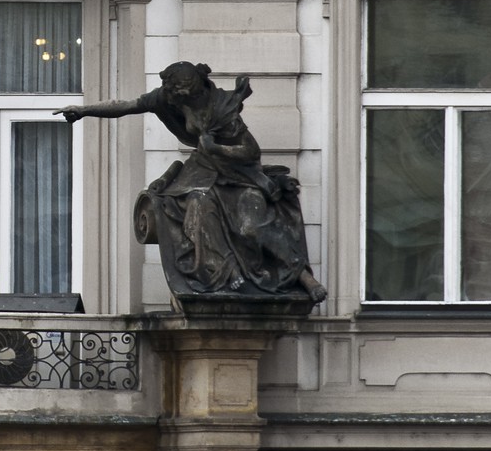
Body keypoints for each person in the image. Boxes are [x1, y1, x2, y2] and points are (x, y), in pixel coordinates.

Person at [58, 61, 325, 301]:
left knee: (250, 228)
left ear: (198, 89)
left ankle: (304, 277)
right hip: (203, 171)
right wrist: (83, 110)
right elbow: (128, 106)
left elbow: (251, 151)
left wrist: (216, 148)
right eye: (179, 98)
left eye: (190, 96)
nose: (183, 102)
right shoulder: (168, 98)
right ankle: (227, 273)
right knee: (197, 206)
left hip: (241, 174)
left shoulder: (222, 108)